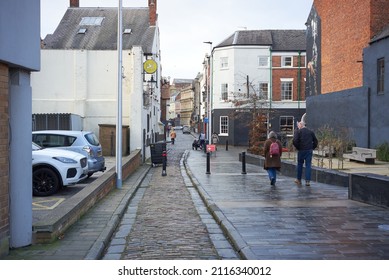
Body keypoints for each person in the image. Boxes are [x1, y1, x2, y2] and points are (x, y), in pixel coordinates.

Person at [292, 120, 318, 186]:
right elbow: (315, 141)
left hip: (301, 150)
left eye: (298, 125)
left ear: (301, 125)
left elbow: (294, 141)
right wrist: (312, 147)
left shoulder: (298, 132)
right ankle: (308, 181)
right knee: (308, 165)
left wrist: (298, 147)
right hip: (309, 150)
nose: (298, 127)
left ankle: (299, 179)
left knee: (300, 164)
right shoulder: (310, 132)